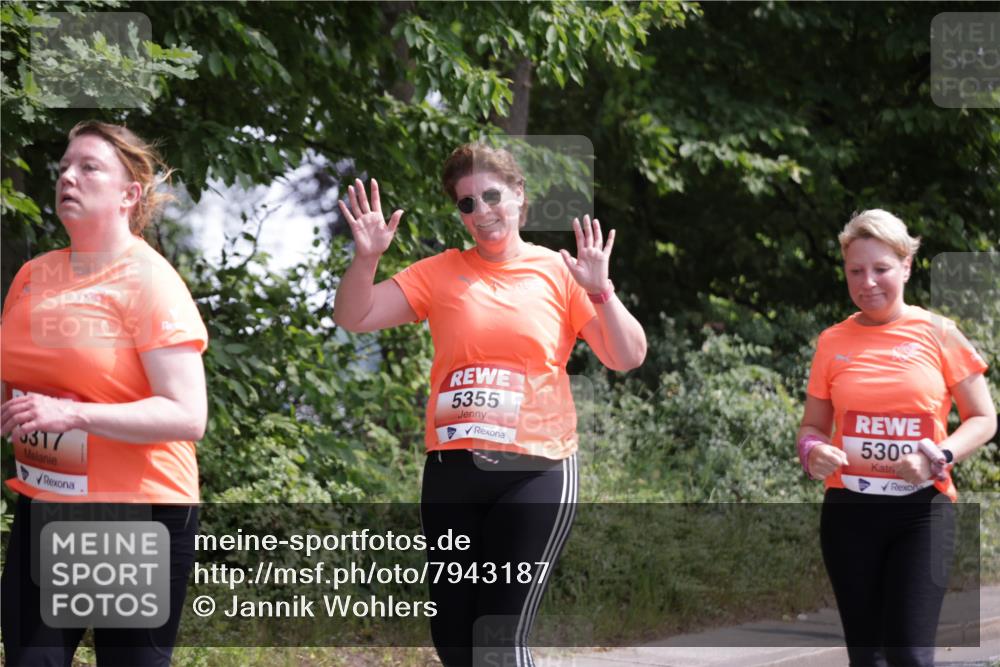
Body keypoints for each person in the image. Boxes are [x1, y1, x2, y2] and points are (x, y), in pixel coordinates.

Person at [334, 143, 646, 666]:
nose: (482, 212)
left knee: (498, 640)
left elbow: (627, 356)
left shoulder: (559, 272)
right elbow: (354, 316)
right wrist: (366, 258)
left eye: (492, 196)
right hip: (452, 472)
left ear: (519, 194)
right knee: (455, 641)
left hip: (535, 469)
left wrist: (601, 293)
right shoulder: (439, 272)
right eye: (467, 203)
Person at [1, 121, 208, 666]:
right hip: (48, 501)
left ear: (128, 194)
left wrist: (73, 415)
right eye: (65, 165)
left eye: (89, 167)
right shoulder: (32, 276)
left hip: (134, 509)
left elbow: (188, 414)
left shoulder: (149, 281)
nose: (67, 175)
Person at [797, 209, 996, 667]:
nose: (868, 282)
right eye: (856, 271)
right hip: (849, 512)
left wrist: (938, 455)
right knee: (867, 658)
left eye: (881, 269)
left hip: (921, 512)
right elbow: (812, 427)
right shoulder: (832, 341)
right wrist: (813, 451)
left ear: (906, 266)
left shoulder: (940, 333)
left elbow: (983, 418)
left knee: (909, 655)